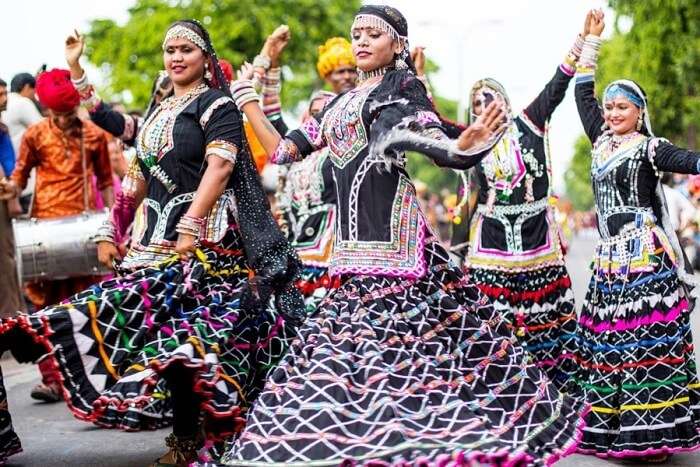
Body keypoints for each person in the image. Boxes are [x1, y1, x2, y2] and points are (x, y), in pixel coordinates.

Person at [219, 5, 586, 465]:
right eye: (357, 34)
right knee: (343, 368)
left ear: (397, 44)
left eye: (374, 34)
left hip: (397, 251)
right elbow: (283, 151)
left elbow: (419, 135)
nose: (362, 41)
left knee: (414, 364)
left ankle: (424, 447)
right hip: (348, 258)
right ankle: (363, 449)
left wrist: (458, 146)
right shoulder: (335, 106)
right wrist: (248, 99)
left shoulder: (402, 89)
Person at [0, 20, 303, 467]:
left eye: (186, 49)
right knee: (133, 335)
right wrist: (110, 230)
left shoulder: (216, 105)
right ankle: (190, 431)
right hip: (152, 248)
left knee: (189, 348)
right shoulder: (159, 114)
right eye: (170, 49)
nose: (176, 57)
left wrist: (192, 224)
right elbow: (133, 182)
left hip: (207, 251)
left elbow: (220, 168)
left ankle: (190, 439)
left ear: (204, 57)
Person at [572, 9, 700, 461]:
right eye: (609, 107)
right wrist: (591, 41)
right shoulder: (600, 140)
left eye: (621, 106)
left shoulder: (650, 148)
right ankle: (615, 435)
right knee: (609, 343)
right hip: (610, 262)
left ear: (639, 112)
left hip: (646, 259)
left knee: (645, 344)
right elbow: (582, 93)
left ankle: (655, 436)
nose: (611, 113)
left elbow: (689, 159)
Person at [460, 17, 590, 389]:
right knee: (491, 316)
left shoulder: (529, 124)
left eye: (490, 98)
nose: (483, 105)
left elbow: (557, 84)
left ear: (505, 102)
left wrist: (583, 42)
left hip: (536, 239)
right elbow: (432, 128)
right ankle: (500, 384)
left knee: (543, 313)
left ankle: (548, 384)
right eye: (476, 102)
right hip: (491, 241)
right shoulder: (470, 140)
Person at [0, 69, 115, 403]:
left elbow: (107, 183)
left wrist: (111, 226)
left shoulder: (93, 135)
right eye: (57, 114)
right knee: (46, 311)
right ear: (47, 110)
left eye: (68, 113)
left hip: (85, 232)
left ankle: (97, 382)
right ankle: (52, 379)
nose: (63, 120)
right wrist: (10, 188)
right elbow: (19, 178)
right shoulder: (35, 134)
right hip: (45, 235)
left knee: (89, 308)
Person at [0, 79, 23, 319]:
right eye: (0, 95)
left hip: (3, 197)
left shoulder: (2, 129)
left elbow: (10, 166)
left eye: (5, 93)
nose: (5, 99)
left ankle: (11, 318)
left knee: (6, 259)